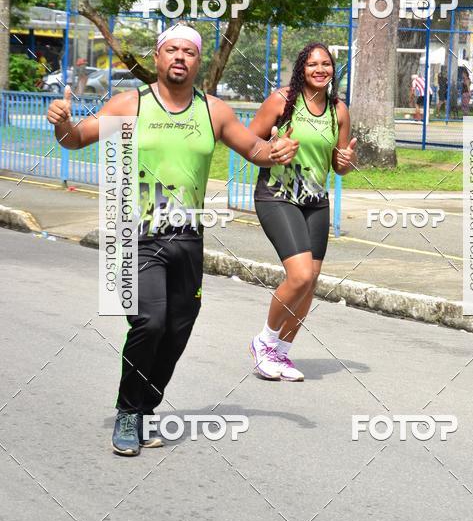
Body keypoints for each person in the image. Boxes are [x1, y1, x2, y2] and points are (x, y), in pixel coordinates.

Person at [47, 23, 298, 455]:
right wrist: (63, 123)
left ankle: (145, 407)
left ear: (198, 62)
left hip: (187, 237)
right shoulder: (130, 104)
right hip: (136, 233)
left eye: (189, 52)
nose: (180, 57)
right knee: (150, 321)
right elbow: (76, 139)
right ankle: (128, 413)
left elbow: (254, 150)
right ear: (158, 57)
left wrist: (274, 153)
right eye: (172, 50)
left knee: (179, 327)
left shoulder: (214, 111)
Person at [248, 42, 357, 382]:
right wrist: (272, 149)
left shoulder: (338, 110)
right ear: (302, 69)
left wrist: (347, 162)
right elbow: (247, 143)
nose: (320, 69)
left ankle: (281, 353)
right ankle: (264, 342)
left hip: (316, 202)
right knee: (300, 276)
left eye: (326, 64)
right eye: (312, 64)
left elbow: (340, 165)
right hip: (277, 196)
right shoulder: (282, 101)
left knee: (310, 284)